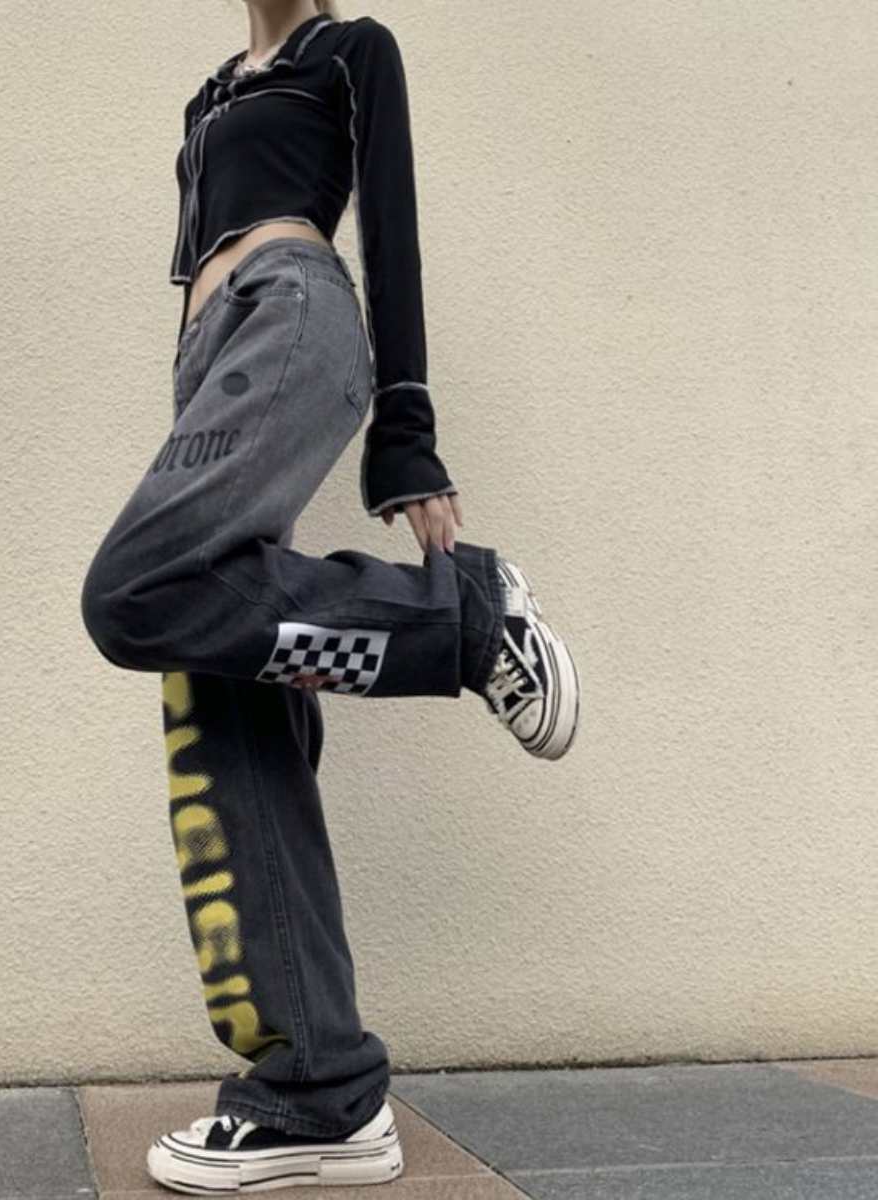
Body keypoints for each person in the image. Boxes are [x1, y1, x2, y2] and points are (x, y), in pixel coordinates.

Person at [80, 1, 581, 1191]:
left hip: (294, 309)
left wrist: (406, 436)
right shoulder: (209, 95)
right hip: (213, 358)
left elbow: (391, 228)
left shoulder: (349, 51)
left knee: (131, 596)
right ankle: (319, 1093)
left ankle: (468, 622)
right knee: (223, 692)